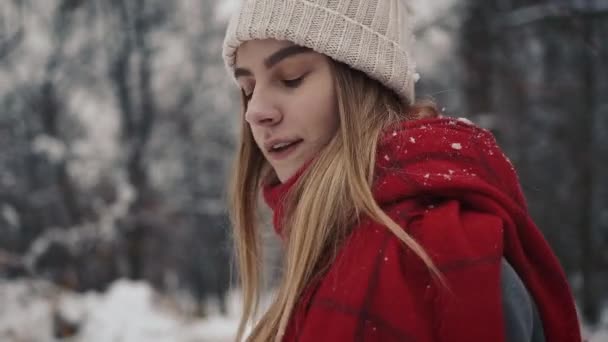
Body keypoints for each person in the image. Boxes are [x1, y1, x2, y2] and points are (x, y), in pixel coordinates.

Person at [222, 0, 582, 341]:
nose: (255, 111)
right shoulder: (326, 253)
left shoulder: (450, 257)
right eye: (247, 88)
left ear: (362, 82)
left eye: (291, 78)